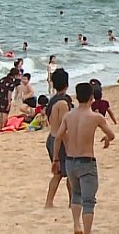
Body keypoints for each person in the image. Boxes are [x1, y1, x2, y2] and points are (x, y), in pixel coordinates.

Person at [54, 82, 115, 234]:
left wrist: (56, 159)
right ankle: (87, 231)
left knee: (76, 194)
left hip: (70, 160)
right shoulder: (96, 117)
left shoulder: (69, 115)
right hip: (87, 161)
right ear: (92, 97)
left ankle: (76, 225)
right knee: (88, 201)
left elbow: (58, 137)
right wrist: (107, 139)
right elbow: (111, 134)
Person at [45, 69, 73, 208]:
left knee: (59, 173)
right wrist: (69, 146)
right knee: (68, 173)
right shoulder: (63, 103)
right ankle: (70, 202)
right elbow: (64, 127)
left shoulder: (53, 100)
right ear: (67, 84)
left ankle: (50, 202)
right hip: (60, 140)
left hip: (51, 137)